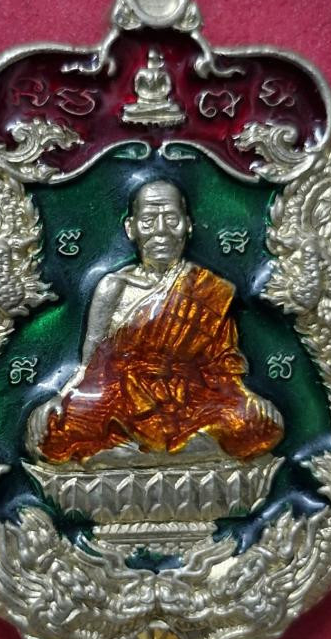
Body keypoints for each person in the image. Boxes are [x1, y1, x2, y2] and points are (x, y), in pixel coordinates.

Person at [26, 180, 283, 465]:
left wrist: (250, 399)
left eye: (171, 219)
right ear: (131, 228)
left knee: (261, 424)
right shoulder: (114, 287)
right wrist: (61, 398)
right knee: (49, 433)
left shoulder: (209, 290)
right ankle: (184, 451)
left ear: (188, 225)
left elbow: (223, 369)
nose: (161, 230)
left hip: (192, 399)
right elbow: (90, 365)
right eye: (149, 220)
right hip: (124, 397)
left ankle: (130, 454)